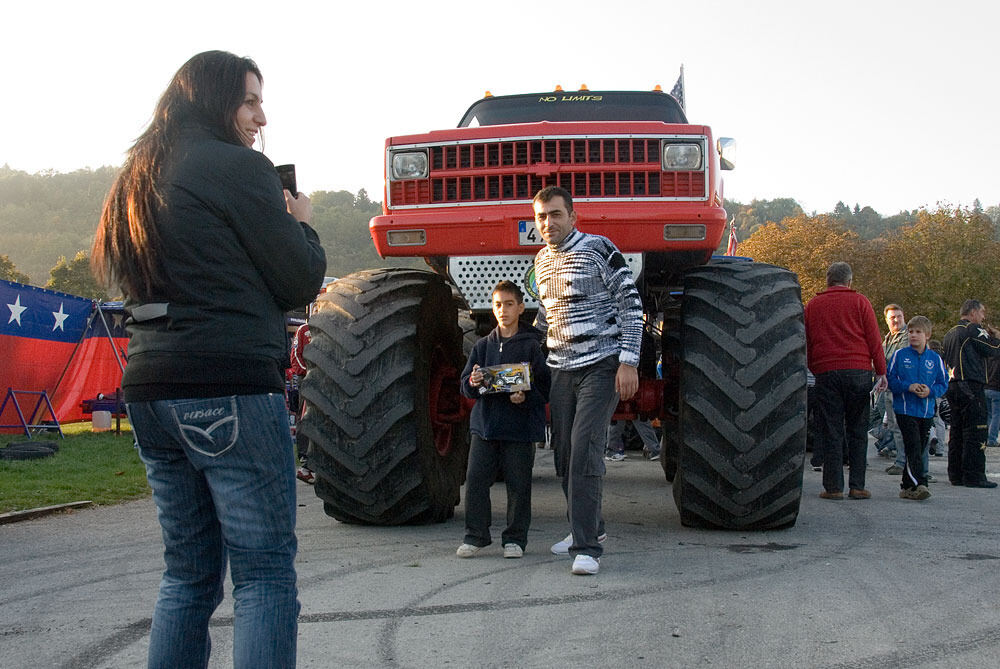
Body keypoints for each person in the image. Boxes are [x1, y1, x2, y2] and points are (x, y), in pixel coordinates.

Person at [91, 51, 326, 668]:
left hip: (148, 388)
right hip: (227, 387)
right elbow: (297, 279)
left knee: (188, 575)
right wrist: (300, 223)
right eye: (250, 100)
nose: (260, 115)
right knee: (264, 574)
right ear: (214, 99)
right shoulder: (239, 168)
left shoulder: (135, 179)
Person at [532, 185, 643, 576]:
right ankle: (587, 526)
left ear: (573, 217)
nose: (548, 222)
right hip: (561, 369)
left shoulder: (599, 249)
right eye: (542, 216)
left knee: (584, 449)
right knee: (563, 454)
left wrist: (628, 362)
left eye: (556, 214)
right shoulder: (542, 261)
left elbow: (631, 304)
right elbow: (547, 317)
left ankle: (587, 548)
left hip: (601, 364)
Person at [456, 281, 550, 559]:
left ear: (521, 308)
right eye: (498, 304)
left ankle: (515, 540)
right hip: (484, 427)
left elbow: (545, 388)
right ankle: (475, 536)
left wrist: (526, 396)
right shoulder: (483, 346)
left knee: (519, 486)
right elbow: (465, 385)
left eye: (509, 304)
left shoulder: (533, 348)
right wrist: (472, 381)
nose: (503, 310)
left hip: (519, 430)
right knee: (475, 482)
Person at [803, 262, 887, 500]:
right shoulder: (861, 302)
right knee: (858, 430)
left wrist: (816, 367)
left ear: (827, 280)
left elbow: (807, 342)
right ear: (850, 282)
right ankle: (857, 485)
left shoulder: (813, 305)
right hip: (859, 371)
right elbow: (874, 340)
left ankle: (833, 487)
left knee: (831, 430)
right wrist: (881, 372)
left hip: (826, 373)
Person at [886, 316, 948, 500]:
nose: (913, 335)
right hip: (904, 409)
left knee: (920, 447)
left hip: (926, 410)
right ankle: (920, 484)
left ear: (927, 335)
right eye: (911, 332)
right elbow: (890, 379)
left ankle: (906, 486)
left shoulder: (934, 359)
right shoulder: (900, 355)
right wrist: (908, 386)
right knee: (912, 445)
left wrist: (930, 391)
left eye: (918, 332)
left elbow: (943, 383)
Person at [942, 300, 1000, 488]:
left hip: (952, 385)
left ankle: (956, 474)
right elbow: (992, 350)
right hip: (971, 386)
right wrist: (997, 338)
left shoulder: (950, 333)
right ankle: (974, 475)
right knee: (976, 431)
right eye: (982, 313)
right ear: (973, 312)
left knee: (957, 432)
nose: (983, 317)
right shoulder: (972, 329)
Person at [881, 304, 908, 474]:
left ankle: (904, 462)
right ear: (886, 320)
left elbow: (896, 359)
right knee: (894, 428)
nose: (896, 320)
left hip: (902, 390)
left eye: (899, 316)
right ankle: (900, 460)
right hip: (889, 388)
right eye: (892, 317)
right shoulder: (888, 338)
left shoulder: (906, 337)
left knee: (902, 428)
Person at [289, 321, 315, 484]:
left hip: (323, 377)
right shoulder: (303, 330)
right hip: (306, 378)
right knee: (306, 416)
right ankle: (305, 464)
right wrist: (307, 372)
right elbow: (296, 356)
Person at [985, 356, 1000, 448]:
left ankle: (986, 438)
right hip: (997, 389)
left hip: (986, 387)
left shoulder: (988, 357)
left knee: (989, 415)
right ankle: (992, 439)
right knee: (996, 415)